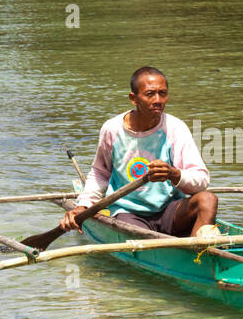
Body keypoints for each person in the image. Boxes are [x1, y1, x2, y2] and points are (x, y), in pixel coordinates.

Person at [60, 67, 219, 238]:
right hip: (128, 213)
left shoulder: (175, 128)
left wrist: (174, 174)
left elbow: (201, 181)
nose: (158, 100)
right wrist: (83, 205)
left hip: (170, 211)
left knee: (207, 200)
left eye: (162, 93)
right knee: (141, 233)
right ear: (133, 99)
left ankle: (198, 257)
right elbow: (100, 173)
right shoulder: (112, 129)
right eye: (150, 94)